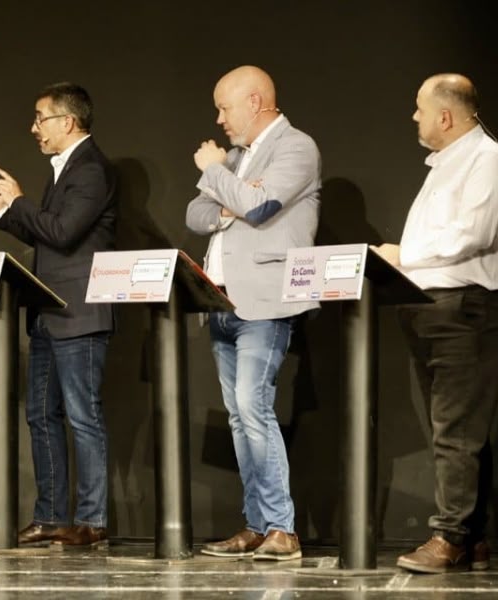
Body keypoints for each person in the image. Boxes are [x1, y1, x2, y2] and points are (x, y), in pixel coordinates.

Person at [373, 73, 498, 574]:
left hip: (469, 309)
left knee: (457, 429)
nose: (414, 117)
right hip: (438, 308)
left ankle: (451, 535)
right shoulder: (448, 164)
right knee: (455, 427)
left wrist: (403, 255)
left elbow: (474, 234)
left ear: (445, 115)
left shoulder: (489, 160)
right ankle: (472, 534)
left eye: (420, 109)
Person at [185, 65, 320, 561]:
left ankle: (282, 527)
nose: (219, 118)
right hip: (221, 302)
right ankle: (258, 524)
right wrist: (230, 199)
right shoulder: (239, 158)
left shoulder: (296, 147)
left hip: (264, 300)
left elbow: (263, 209)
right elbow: (195, 215)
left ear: (256, 101)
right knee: (240, 419)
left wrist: (217, 174)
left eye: (225, 107)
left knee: (253, 407)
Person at [0, 82, 117, 547]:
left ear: (68, 122)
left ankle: (92, 520)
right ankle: (53, 516)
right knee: (41, 415)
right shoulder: (63, 170)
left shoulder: (91, 170)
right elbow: (46, 233)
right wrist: (6, 210)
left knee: (83, 417)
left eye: (41, 118)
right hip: (46, 312)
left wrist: (19, 203)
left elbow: (63, 232)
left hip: (79, 315)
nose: (34, 128)